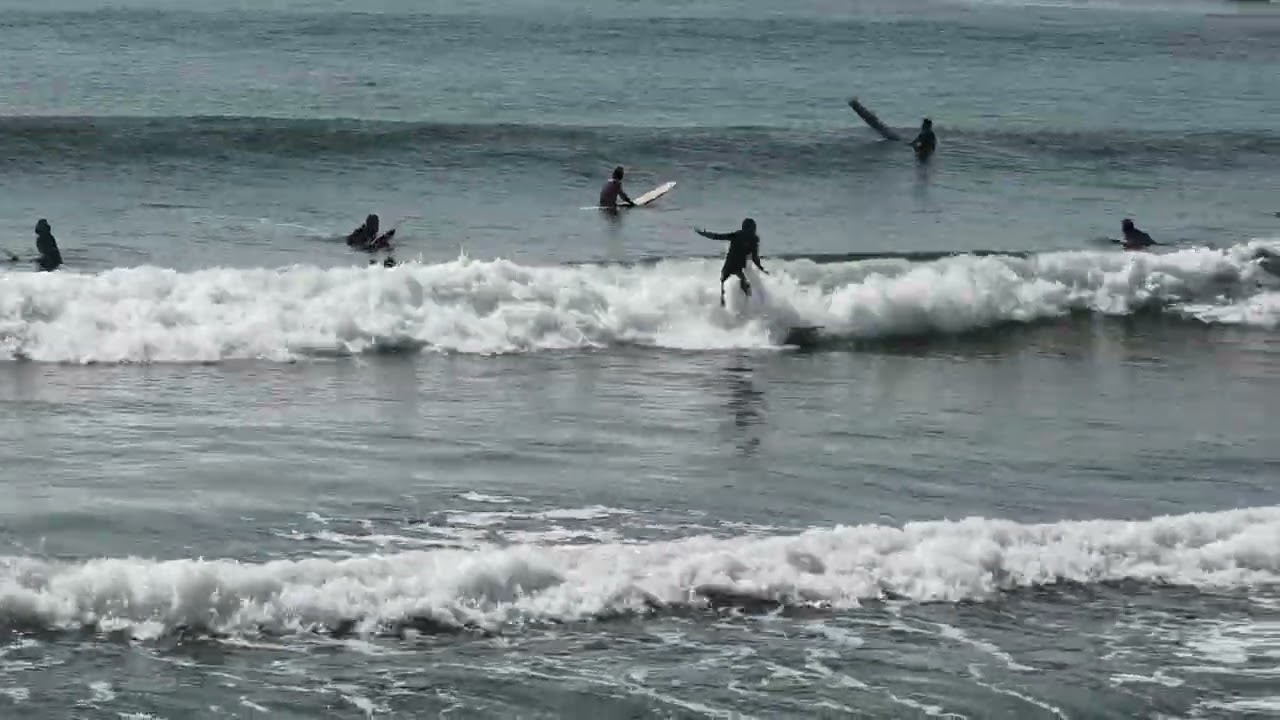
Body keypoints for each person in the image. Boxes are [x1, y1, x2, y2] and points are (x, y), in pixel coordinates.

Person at [695, 218, 768, 306]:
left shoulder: (754, 239)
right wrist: (704, 234)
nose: (753, 230)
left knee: (746, 287)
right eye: (751, 228)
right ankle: (723, 309)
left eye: (753, 228)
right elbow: (718, 237)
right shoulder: (737, 235)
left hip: (738, 268)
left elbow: (755, 257)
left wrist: (761, 268)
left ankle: (746, 311)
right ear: (745, 228)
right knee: (723, 286)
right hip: (729, 266)